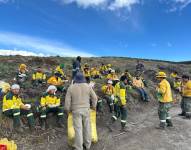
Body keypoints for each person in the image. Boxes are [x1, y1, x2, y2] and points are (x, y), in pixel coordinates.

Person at [65, 72, 98, 150]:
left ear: (75, 79)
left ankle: (79, 147)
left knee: (78, 129)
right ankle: (87, 145)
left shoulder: (71, 87)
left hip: (76, 111)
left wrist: (67, 110)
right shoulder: (88, 87)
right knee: (87, 128)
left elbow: (67, 102)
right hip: (86, 110)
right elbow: (95, 98)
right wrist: (93, 106)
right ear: (83, 78)